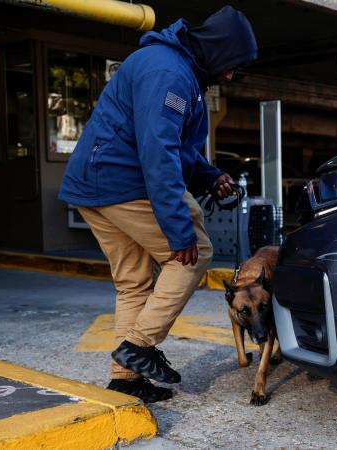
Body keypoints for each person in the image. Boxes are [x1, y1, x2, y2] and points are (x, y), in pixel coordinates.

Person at [58, 7, 258, 403]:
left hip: (97, 185)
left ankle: (125, 379)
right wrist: (177, 228)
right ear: (218, 51)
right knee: (194, 252)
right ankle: (138, 346)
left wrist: (208, 175)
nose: (231, 75)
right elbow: (159, 152)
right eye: (232, 65)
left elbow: (175, 146)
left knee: (133, 283)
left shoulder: (173, 67)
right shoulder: (170, 75)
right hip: (122, 184)